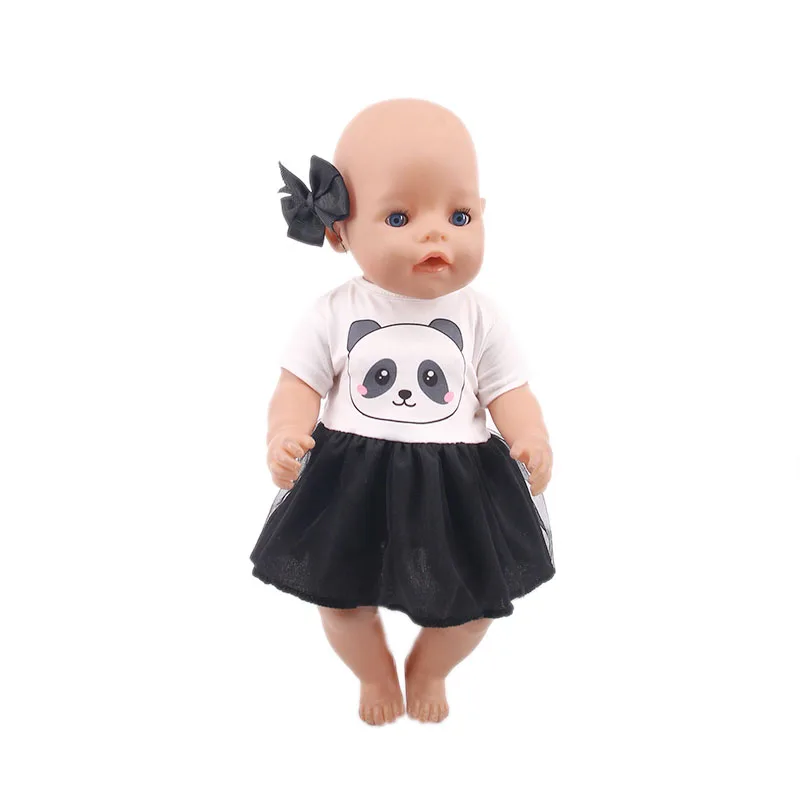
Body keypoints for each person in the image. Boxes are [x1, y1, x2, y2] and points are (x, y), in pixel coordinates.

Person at [251, 98, 555, 725]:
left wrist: (531, 437)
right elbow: (296, 385)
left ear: (483, 213)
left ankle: (431, 667)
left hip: (457, 485)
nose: (436, 233)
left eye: (459, 214)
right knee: (340, 603)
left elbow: (510, 390)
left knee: (474, 608)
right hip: (350, 480)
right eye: (399, 216)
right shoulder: (335, 311)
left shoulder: (480, 315)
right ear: (340, 232)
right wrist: (285, 433)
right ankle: (372, 671)